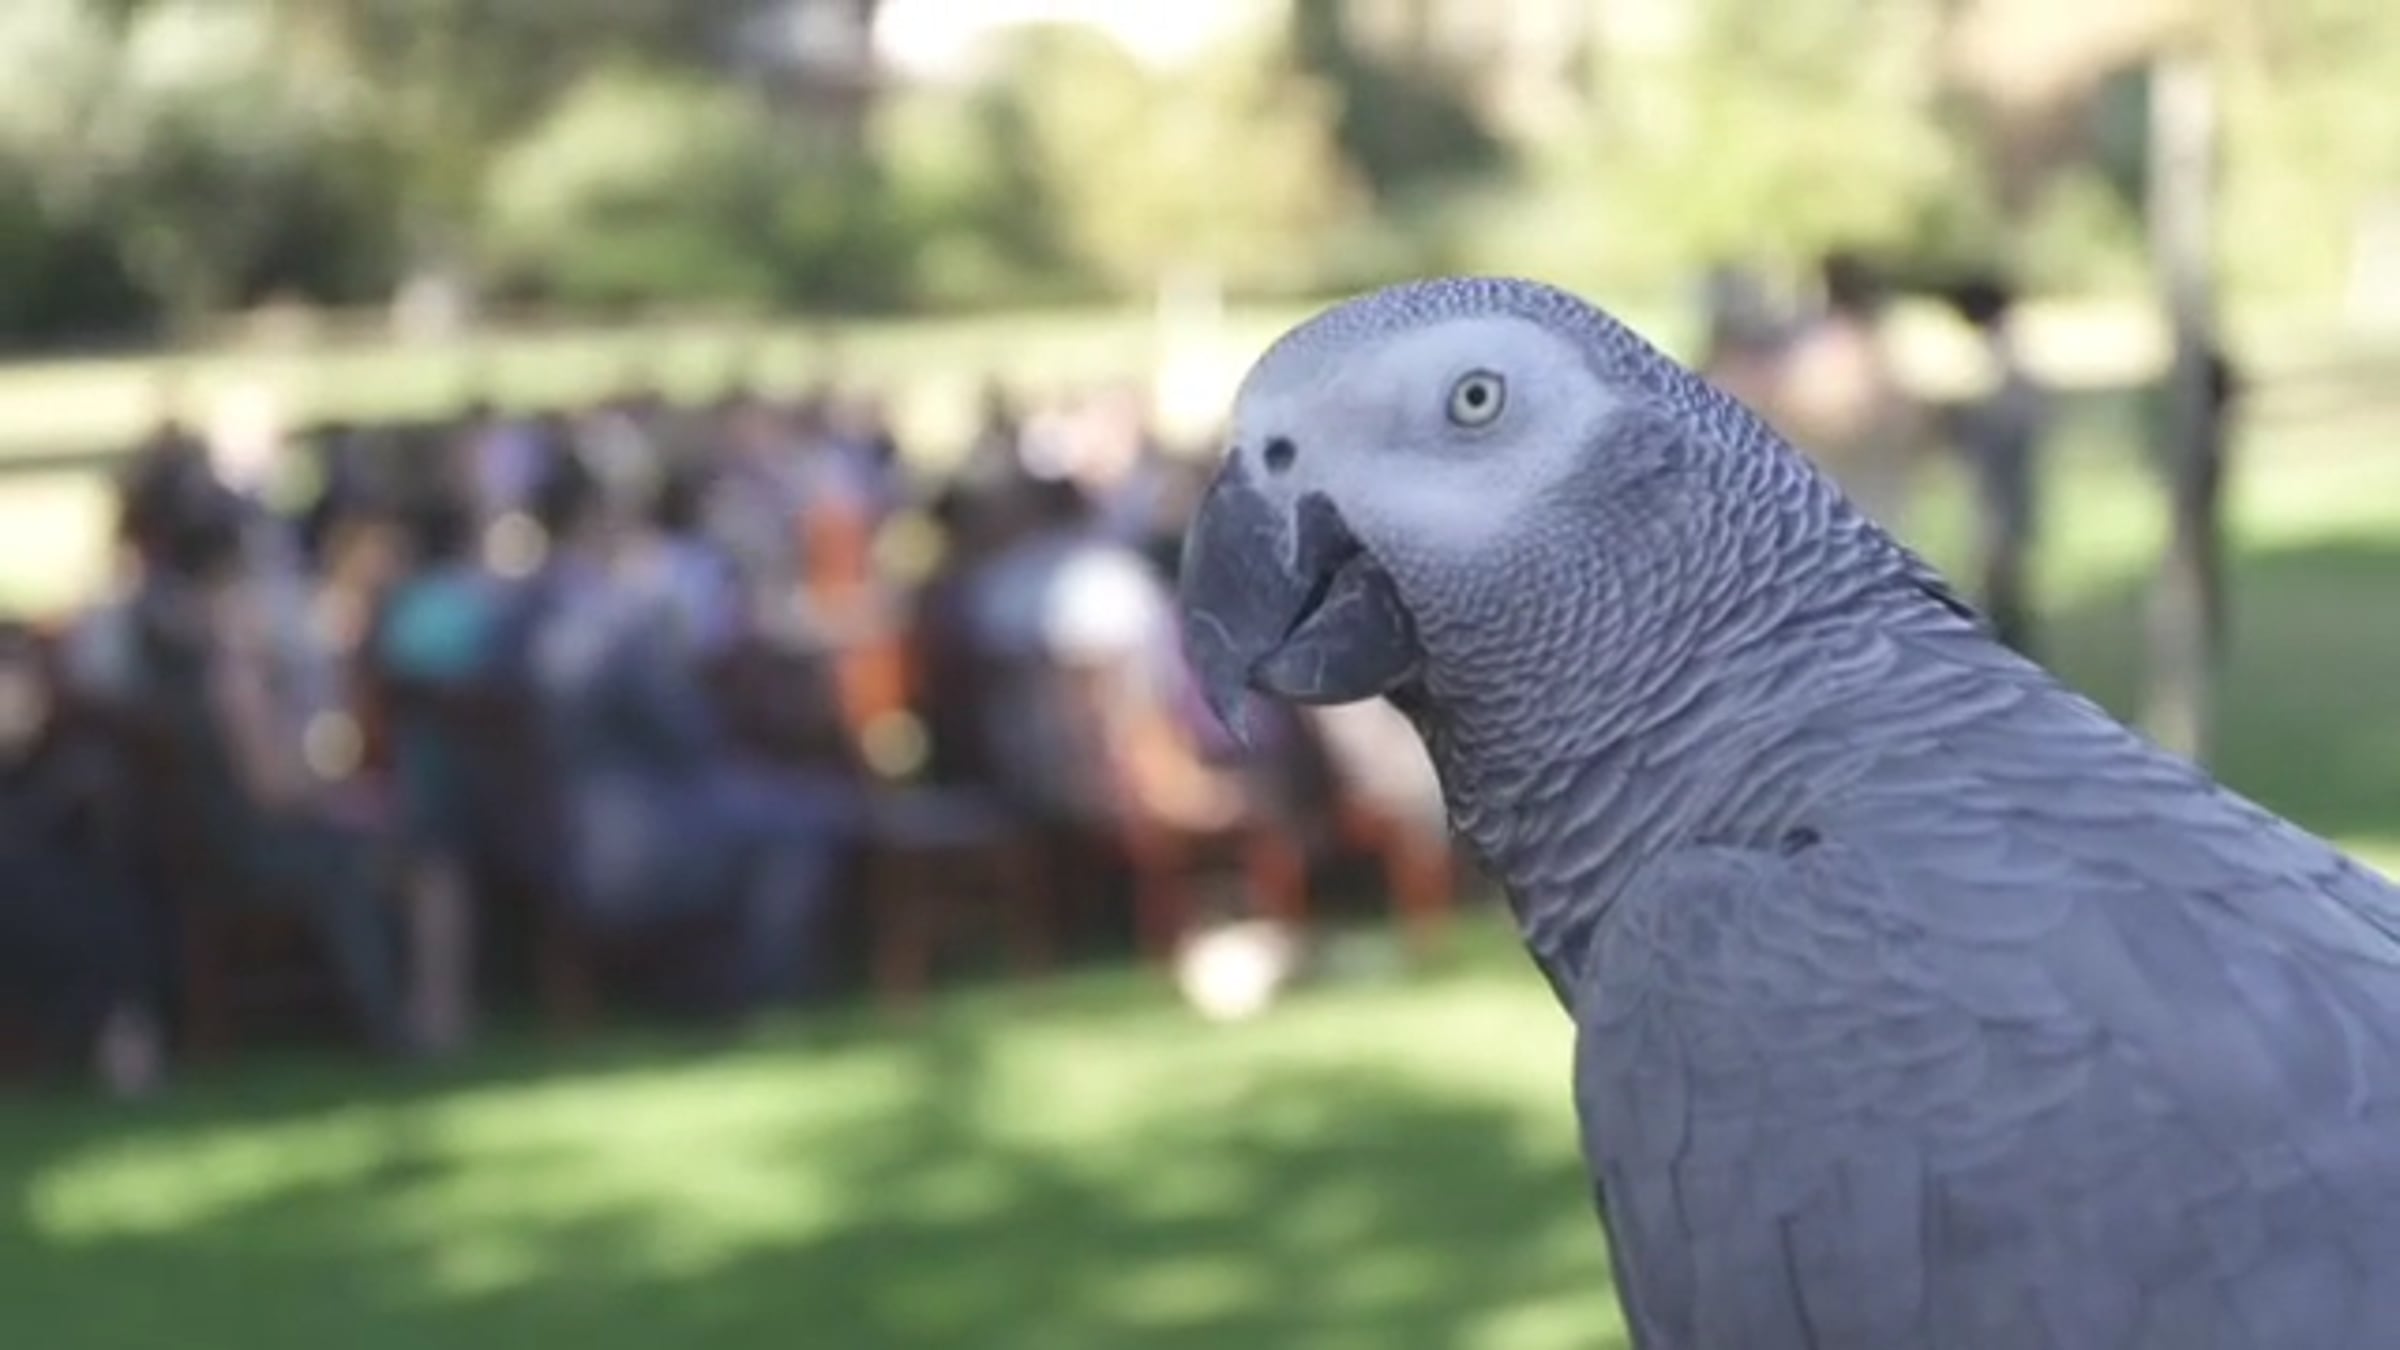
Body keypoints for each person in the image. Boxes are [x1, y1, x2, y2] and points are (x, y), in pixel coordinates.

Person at [0, 623, 164, 1097]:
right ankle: (117, 1040)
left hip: (70, 893)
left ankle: (124, 1040)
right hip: (22, 897)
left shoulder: (72, 748)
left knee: (110, 905)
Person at [1944, 274, 2052, 656]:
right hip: (1999, 479)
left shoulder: (2004, 354)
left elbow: (2013, 417)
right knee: (1999, 578)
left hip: (2004, 479)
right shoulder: (2003, 350)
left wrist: (1964, 424)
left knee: (2001, 573)